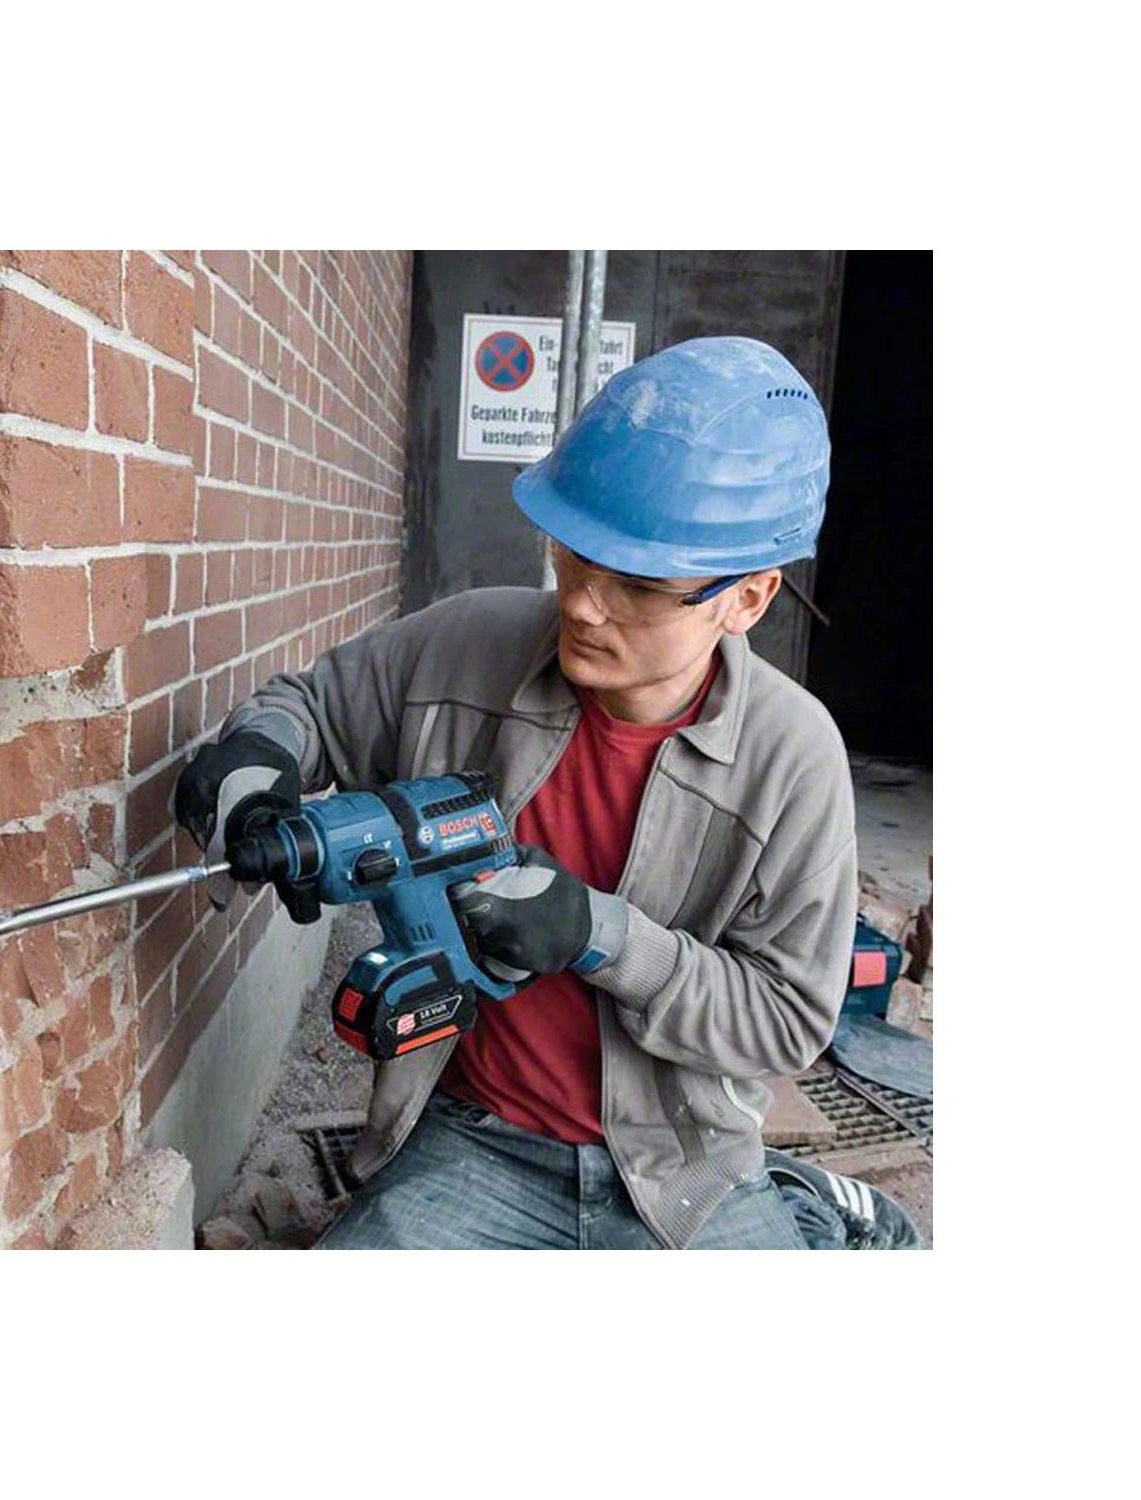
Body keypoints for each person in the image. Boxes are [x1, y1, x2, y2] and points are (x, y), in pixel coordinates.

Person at [174, 334, 918, 1250]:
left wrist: (603, 938)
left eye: (637, 585)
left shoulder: (794, 758)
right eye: (573, 555)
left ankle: (800, 1199)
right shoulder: (466, 645)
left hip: (682, 1164)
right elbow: (311, 705)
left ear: (749, 599)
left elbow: (788, 1022)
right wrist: (258, 761)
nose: (583, 603)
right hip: (477, 1140)